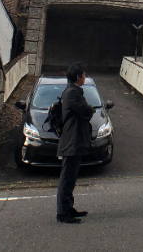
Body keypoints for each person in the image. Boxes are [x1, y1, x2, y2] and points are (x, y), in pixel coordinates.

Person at [56, 62, 95, 224]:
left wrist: (88, 110)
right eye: (84, 74)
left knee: (71, 177)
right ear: (78, 76)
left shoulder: (73, 90)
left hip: (75, 139)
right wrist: (90, 110)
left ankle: (68, 207)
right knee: (67, 177)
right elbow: (86, 110)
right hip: (72, 139)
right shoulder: (72, 92)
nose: (85, 77)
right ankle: (63, 212)